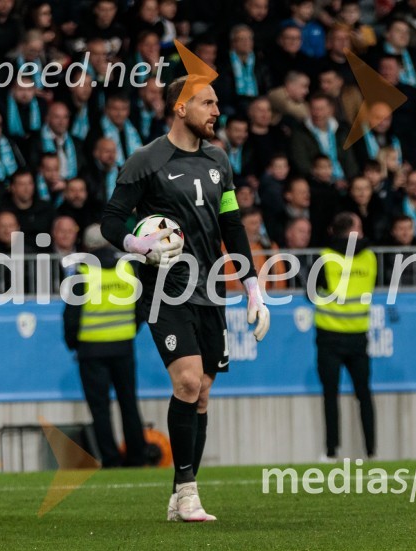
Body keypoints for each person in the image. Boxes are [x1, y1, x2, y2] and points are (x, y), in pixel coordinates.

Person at [101, 75, 270, 522]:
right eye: (208, 103)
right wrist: (141, 246)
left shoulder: (219, 159)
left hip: (211, 290)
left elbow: (231, 227)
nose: (217, 111)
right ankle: (190, 491)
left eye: (216, 103)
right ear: (180, 108)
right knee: (189, 382)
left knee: (203, 393)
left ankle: (180, 494)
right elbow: (111, 221)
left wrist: (252, 288)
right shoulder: (146, 160)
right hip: (165, 290)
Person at [63, 224, 148, 468]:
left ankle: (111, 459)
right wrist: (130, 328)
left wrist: (73, 344)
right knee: (129, 404)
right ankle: (137, 457)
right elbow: (142, 306)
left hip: (91, 350)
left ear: (87, 246)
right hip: (123, 346)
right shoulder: (128, 268)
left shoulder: (82, 271)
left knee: (100, 409)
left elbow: (72, 314)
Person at [314, 212, 377, 461]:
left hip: (329, 335)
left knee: (331, 396)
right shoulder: (370, 257)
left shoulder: (324, 257)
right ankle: (371, 451)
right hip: (358, 335)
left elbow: (311, 292)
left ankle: (332, 452)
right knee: (364, 395)